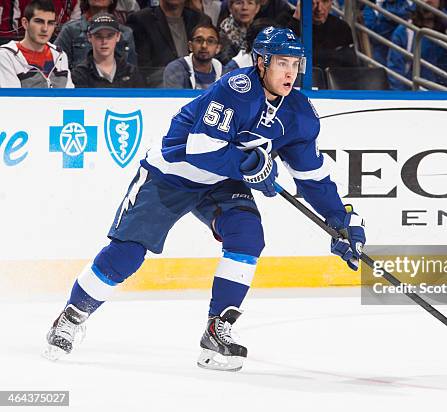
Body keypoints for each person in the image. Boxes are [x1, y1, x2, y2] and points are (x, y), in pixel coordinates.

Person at [44, 26, 366, 372]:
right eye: (281, 63)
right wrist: (250, 166)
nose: (290, 72)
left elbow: (312, 178)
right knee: (127, 254)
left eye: (295, 63)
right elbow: (201, 149)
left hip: (222, 181)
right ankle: (72, 315)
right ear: (260, 62)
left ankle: (217, 332)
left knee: (247, 237)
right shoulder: (235, 89)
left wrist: (340, 220)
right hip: (172, 174)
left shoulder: (299, 114)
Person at [127, 0, 211, 86]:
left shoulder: (200, 20)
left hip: (198, 87)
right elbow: (143, 69)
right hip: (159, 90)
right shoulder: (141, 20)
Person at [0, 0, 73, 87]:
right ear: (25, 23)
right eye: (39, 21)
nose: (45, 29)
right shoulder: (6, 56)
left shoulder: (60, 55)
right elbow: (13, 98)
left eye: (50, 23)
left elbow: (69, 95)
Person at [54, 0, 137, 69]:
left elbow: (132, 74)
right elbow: (56, 68)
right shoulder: (70, 30)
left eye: (109, 36)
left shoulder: (126, 33)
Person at [71, 12, 144, 87]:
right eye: (98, 36)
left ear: (118, 36)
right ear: (89, 37)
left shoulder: (131, 72)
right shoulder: (79, 74)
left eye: (110, 36)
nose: (104, 41)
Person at [284, 0, 358, 68]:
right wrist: (297, 20)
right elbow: (283, 55)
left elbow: (351, 62)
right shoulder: (286, 21)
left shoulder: (341, 27)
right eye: (313, 3)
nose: (319, 9)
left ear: (331, 2)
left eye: (325, 1)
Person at [163, 22, 222, 88]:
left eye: (210, 41)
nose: (204, 46)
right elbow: (175, 98)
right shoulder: (176, 69)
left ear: (218, 48)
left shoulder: (223, 72)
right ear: (190, 46)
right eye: (199, 41)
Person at [216, 0, 260, 64]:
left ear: (257, 8)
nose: (244, 7)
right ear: (230, 8)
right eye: (239, 3)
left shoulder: (261, 30)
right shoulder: (223, 34)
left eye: (250, 3)